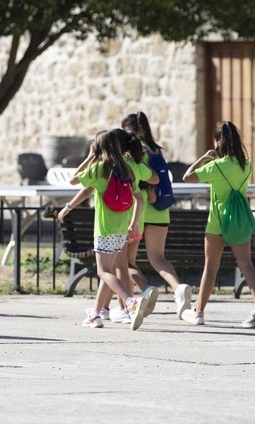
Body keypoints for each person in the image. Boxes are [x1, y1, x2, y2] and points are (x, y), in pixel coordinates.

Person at [57, 129, 156, 330]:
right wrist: (133, 223)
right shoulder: (127, 168)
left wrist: (90, 157)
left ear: (99, 147)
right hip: (122, 228)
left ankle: (130, 301)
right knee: (109, 270)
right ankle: (96, 314)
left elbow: (74, 180)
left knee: (103, 272)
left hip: (104, 228)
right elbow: (142, 192)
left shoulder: (100, 168)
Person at [181, 121, 255, 328]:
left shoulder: (215, 166)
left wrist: (204, 157)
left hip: (217, 223)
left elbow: (187, 177)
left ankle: (199, 311)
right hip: (239, 221)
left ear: (219, 142)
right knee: (247, 265)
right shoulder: (246, 165)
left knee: (210, 268)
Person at [121, 112, 191, 318]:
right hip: (161, 210)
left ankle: (134, 300)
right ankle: (178, 288)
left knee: (125, 262)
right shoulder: (157, 150)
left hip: (140, 211)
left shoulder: (134, 151)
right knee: (158, 258)